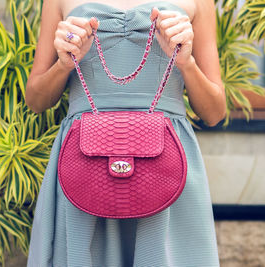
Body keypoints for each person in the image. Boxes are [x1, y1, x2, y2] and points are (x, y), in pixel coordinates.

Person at [25, 0, 226, 266]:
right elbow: (36, 101)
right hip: (84, 162)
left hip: (167, 167)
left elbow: (214, 112)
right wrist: (63, 64)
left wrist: (186, 63)